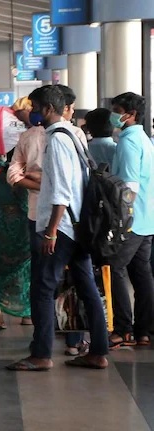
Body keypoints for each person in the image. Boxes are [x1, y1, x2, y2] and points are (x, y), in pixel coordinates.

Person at [7, 85, 109, 371]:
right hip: (77, 225)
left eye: (35, 107)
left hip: (61, 228)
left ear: (48, 109)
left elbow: (62, 191)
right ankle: (98, 351)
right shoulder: (72, 135)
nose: (32, 112)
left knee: (42, 288)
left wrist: (51, 231)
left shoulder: (57, 140)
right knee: (87, 287)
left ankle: (41, 354)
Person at [107, 92, 154, 348]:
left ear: (131, 114)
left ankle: (123, 328)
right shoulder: (144, 139)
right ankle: (144, 330)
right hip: (146, 219)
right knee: (141, 273)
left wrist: (120, 223)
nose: (114, 115)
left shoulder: (128, 142)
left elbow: (129, 188)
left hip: (132, 220)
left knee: (115, 267)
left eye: (117, 110)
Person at [0, 151, 31, 329]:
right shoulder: (26, 176)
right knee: (24, 266)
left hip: (0, 221)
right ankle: (26, 313)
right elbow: (25, 203)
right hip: (22, 223)